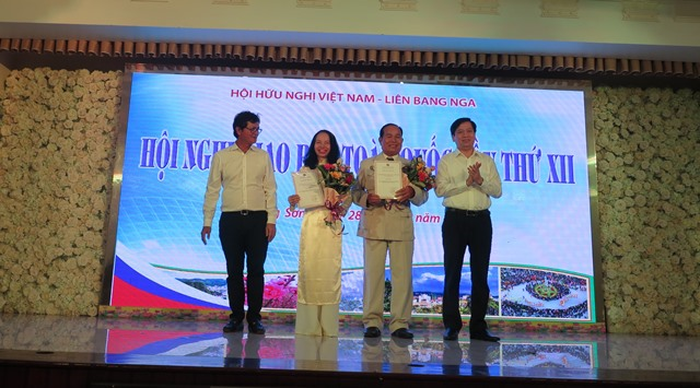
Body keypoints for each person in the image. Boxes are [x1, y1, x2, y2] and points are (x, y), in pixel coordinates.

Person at [201, 110, 277, 335]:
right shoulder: (222, 156)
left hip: (257, 219)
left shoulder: (263, 156)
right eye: (252, 129)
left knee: (256, 270)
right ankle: (235, 317)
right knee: (233, 271)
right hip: (231, 220)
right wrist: (207, 221)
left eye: (257, 129)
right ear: (238, 130)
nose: (256, 133)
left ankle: (254, 318)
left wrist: (271, 220)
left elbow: (270, 189)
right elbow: (212, 190)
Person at [351, 123, 429, 340]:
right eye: (389, 136)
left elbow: (423, 198)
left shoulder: (411, 166)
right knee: (373, 276)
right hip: (374, 224)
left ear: (402, 141)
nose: (393, 140)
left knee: (402, 277)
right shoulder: (368, 164)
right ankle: (372, 322)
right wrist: (368, 198)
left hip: (401, 225)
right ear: (380, 140)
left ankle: (400, 323)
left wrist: (412, 191)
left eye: (398, 137)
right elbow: (355, 191)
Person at [435, 117, 502, 342]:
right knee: (452, 273)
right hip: (454, 220)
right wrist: (466, 182)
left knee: (480, 274)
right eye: (460, 132)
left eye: (469, 131)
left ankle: (478, 327)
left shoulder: (487, 161)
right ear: (453, 136)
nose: (465, 135)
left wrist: (479, 180)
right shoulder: (446, 161)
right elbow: (440, 190)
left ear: (475, 134)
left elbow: (498, 191)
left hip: (481, 221)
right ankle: (452, 326)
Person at [288, 130, 352, 337]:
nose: (322, 146)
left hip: (330, 223)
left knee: (328, 271)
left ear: (332, 146)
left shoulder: (340, 170)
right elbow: (301, 201)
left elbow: (348, 197)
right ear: (313, 145)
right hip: (311, 222)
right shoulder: (305, 170)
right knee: (310, 271)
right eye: (318, 142)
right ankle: (309, 327)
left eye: (327, 142)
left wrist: (339, 208)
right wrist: (294, 201)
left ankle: (328, 327)